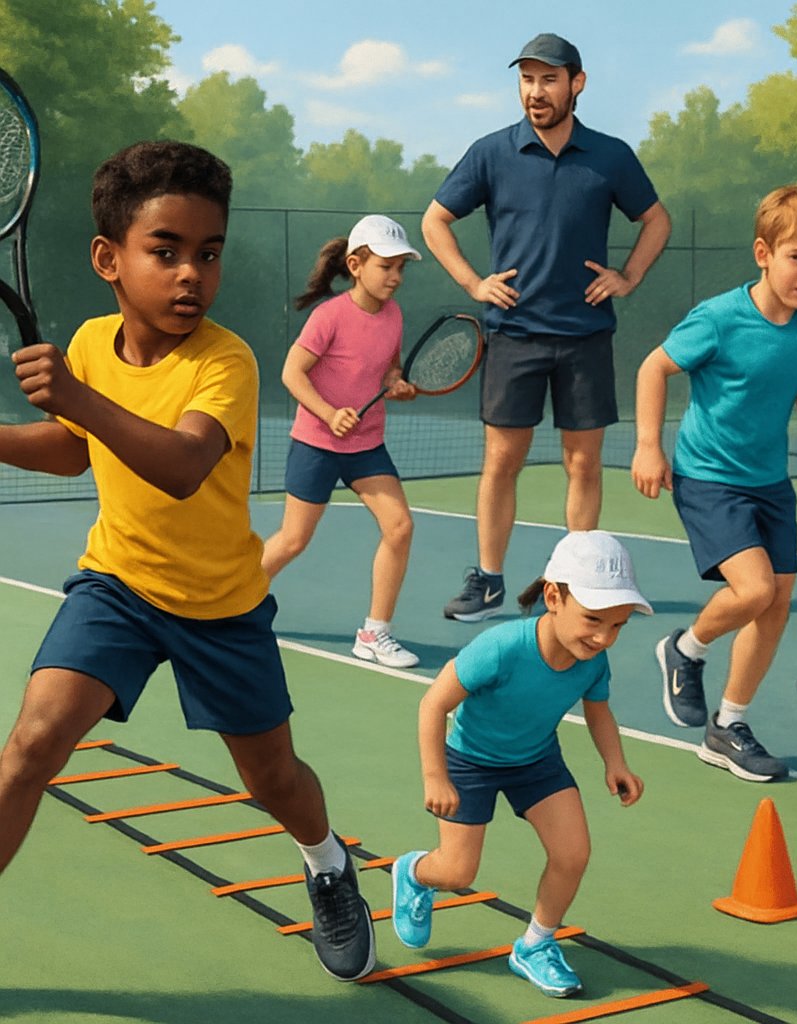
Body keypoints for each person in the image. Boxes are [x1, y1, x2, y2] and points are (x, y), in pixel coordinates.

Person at [0, 141, 375, 981]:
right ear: (109, 259)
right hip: (118, 586)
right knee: (31, 741)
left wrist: (75, 397)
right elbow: (75, 449)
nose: (189, 276)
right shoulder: (94, 346)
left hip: (220, 606)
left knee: (273, 778)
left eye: (207, 254)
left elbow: (178, 467)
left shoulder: (227, 361)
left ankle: (327, 865)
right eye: (164, 251)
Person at [422, 32, 671, 623]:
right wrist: (472, 283)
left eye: (549, 79)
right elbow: (435, 220)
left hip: (586, 334)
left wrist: (628, 275)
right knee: (501, 460)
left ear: (576, 85)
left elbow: (656, 219)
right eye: (528, 79)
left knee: (583, 463)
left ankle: (578, 581)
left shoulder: (610, 155)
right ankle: (488, 582)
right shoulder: (491, 152)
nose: (536, 92)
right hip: (513, 334)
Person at [632, 184, 797, 782]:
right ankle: (686, 649)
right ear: (763, 253)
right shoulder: (718, 318)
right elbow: (653, 366)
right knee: (755, 589)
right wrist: (648, 446)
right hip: (708, 476)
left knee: (776, 602)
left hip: (770, 480)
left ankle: (727, 725)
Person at [389, 530, 650, 998]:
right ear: (553, 597)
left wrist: (616, 763)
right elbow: (433, 705)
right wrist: (436, 775)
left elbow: (599, 709)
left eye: (616, 627)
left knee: (573, 854)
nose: (603, 636)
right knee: (457, 873)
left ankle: (534, 946)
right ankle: (413, 873)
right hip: (470, 762)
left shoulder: (591, 659)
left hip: (537, 760)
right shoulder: (502, 647)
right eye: (593, 619)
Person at [261, 216, 421, 669]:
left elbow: (389, 370)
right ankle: (225, 604)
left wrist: (398, 384)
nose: (395, 277)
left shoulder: (393, 316)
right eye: (386, 266)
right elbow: (292, 373)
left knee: (400, 527)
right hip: (316, 443)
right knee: (293, 540)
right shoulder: (328, 316)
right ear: (355, 264)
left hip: (366, 445)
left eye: (401, 269)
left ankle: (374, 633)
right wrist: (329, 414)